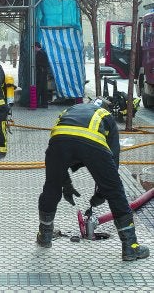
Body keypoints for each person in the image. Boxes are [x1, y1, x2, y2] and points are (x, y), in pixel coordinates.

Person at [36, 99, 150, 262]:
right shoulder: (106, 115)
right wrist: (102, 193)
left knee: (50, 187)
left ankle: (44, 237)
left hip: (59, 141)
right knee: (115, 192)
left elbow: (59, 156)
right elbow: (113, 163)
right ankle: (130, 247)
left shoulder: (70, 110)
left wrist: (64, 184)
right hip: (91, 144)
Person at [35, 42, 49, 108]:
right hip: (44, 72)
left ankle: (37, 103)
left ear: (36, 47)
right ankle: (44, 104)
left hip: (41, 73)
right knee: (43, 89)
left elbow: (38, 63)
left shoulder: (40, 53)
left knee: (39, 88)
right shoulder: (43, 52)